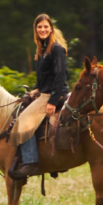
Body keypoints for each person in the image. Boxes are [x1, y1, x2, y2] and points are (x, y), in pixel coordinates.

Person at [11, 14, 70, 177]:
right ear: (35, 30)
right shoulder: (42, 49)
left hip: (54, 95)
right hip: (44, 93)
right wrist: (37, 89)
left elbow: (60, 76)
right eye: (39, 27)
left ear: (51, 28)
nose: (42, 29)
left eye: (45, 26)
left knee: (23, 121)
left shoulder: (56, 48)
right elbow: (46, 76)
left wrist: (52, 101)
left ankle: (30, 163)